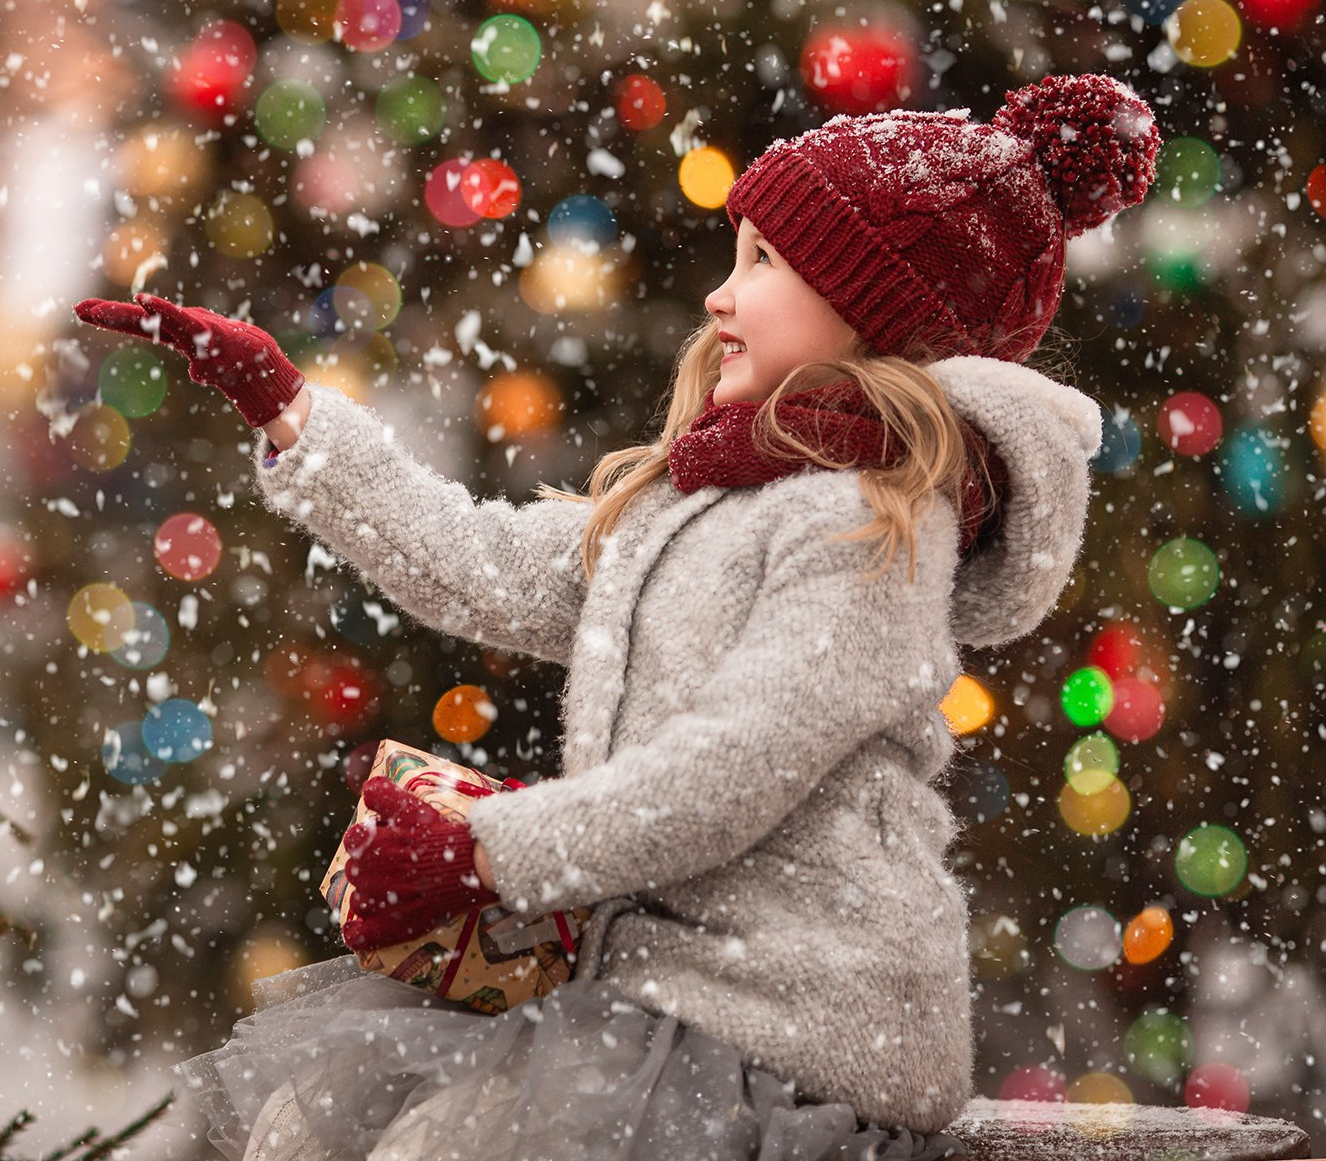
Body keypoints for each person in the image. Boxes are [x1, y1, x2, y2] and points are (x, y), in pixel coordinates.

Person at [74, 73, 1161, 1161]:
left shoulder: (868, 528)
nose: (718, 299)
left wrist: (489, 853)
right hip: (654, 997)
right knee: (308, 1135)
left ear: (870, 309)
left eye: (764, 265)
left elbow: (731, 768)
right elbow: (480, 564)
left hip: (797, 1026)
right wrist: (292, 413)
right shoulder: (701, 499)